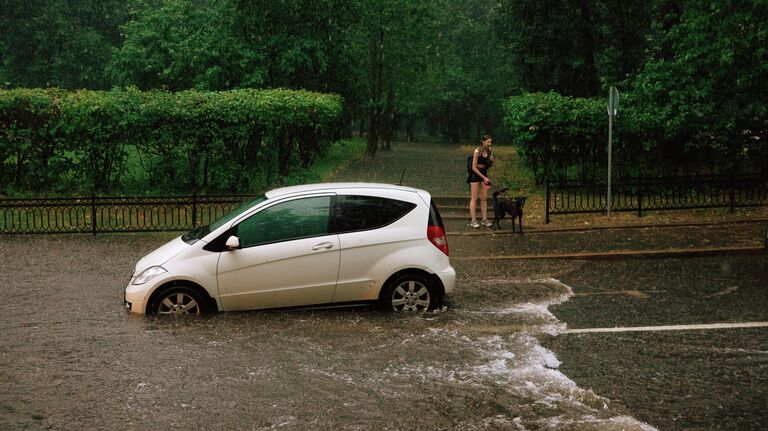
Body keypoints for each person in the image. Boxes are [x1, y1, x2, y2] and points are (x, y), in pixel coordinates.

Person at [467, 135, 494, 228]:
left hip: (484, 173)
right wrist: (484, 178)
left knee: (484, 198)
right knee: (474, 198)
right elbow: (474, 167)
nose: (489, 144)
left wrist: (491, 160)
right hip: (475, 174)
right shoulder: (477, 151)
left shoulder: (489, 151)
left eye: (490, 142)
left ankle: (484, 219)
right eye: (487, 142)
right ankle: (473, 220)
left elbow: (489, 164)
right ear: (483, 141)